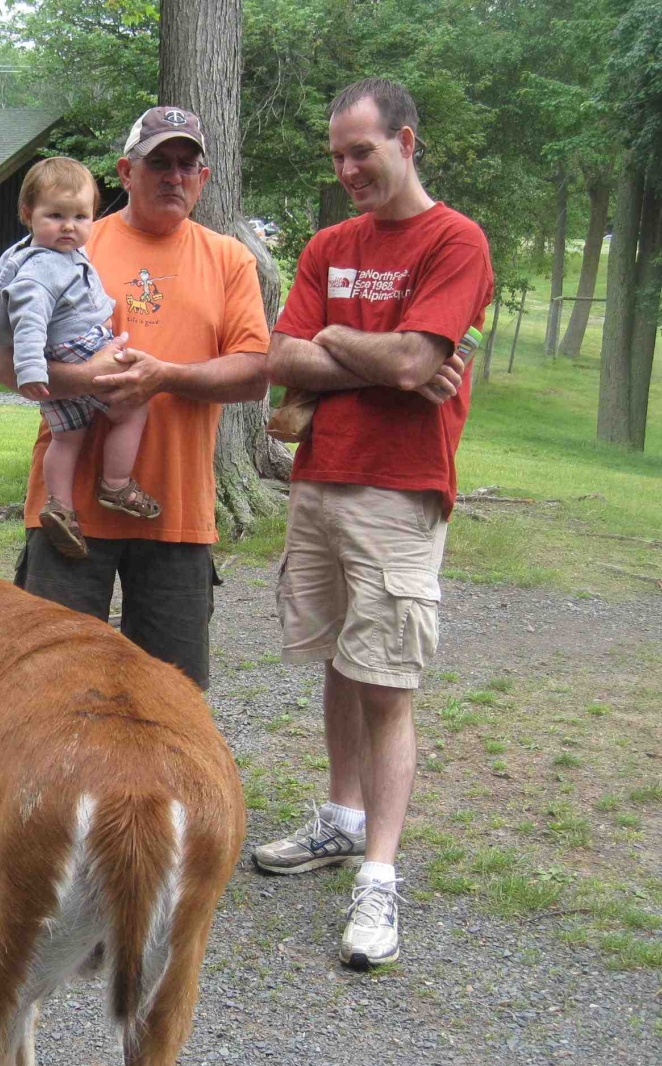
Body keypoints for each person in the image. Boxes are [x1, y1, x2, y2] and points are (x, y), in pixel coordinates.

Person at [258, 78, 494, 969]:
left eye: (363, 151)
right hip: (319, 481)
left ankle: (380, 879)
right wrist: (382, 354)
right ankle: (341, 818)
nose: (349, 169)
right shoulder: (328, 244)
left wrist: (348, 347)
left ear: (406, 141)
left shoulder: (454, 240)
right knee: (339, 659)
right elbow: (281, 355)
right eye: (337, 156)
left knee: (387, 682)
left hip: (400, 488)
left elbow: (414, 361)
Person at [0, 106, 272, 689]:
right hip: (69, 518)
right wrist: (93, 379)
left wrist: (163, 377)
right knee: (52, 692)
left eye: (187, 165)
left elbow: (255, 373)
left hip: (177, 511)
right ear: (126, 171)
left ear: (204, 177)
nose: (174, 176)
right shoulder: (72, 241)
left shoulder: (229, 259)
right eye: (158, 162)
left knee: (172, 699)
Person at [0, 156, 159, 560]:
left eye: (80, 216)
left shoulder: (54, 255)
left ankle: (60, 506)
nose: (69, 226)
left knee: (67, 436)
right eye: (55, 215)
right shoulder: (42, 268)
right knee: (134, 406)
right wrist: (32, 369)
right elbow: (29, 320)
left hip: (57, 362)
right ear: (27, 214)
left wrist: (41, 374)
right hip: (78, 347)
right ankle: (116, 483)